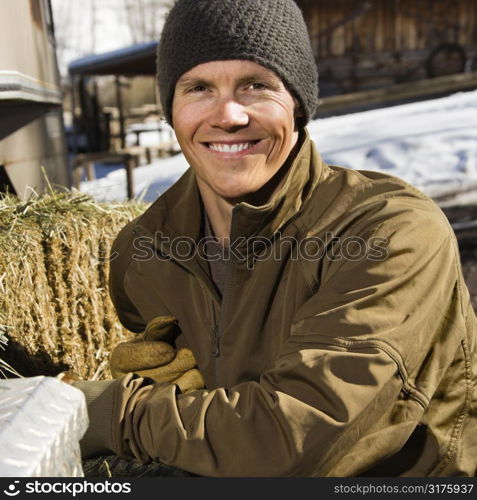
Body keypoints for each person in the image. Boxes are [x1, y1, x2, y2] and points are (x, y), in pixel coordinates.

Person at [72, 0, 477, 477]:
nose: (228, 115)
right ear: (170, 110)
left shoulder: (388, 229)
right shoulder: (145, 251)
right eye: (198, 87)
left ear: (298, 103)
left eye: (256, 86)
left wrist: (109, 412)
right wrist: (176, 399)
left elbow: (292, 441)